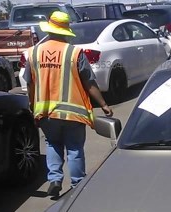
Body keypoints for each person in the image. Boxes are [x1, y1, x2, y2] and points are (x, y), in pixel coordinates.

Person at [23, 11, 113, 198]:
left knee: (53, 144)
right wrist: (103, 104)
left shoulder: (33, 53)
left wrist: (32, 107)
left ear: (49, 29)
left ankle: (55, 179)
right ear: (65, 31)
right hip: (73, 112)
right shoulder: (73, 52)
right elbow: (89, 81)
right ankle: (77, 184)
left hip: (46, 112)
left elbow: (30, 84)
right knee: (74, 148)